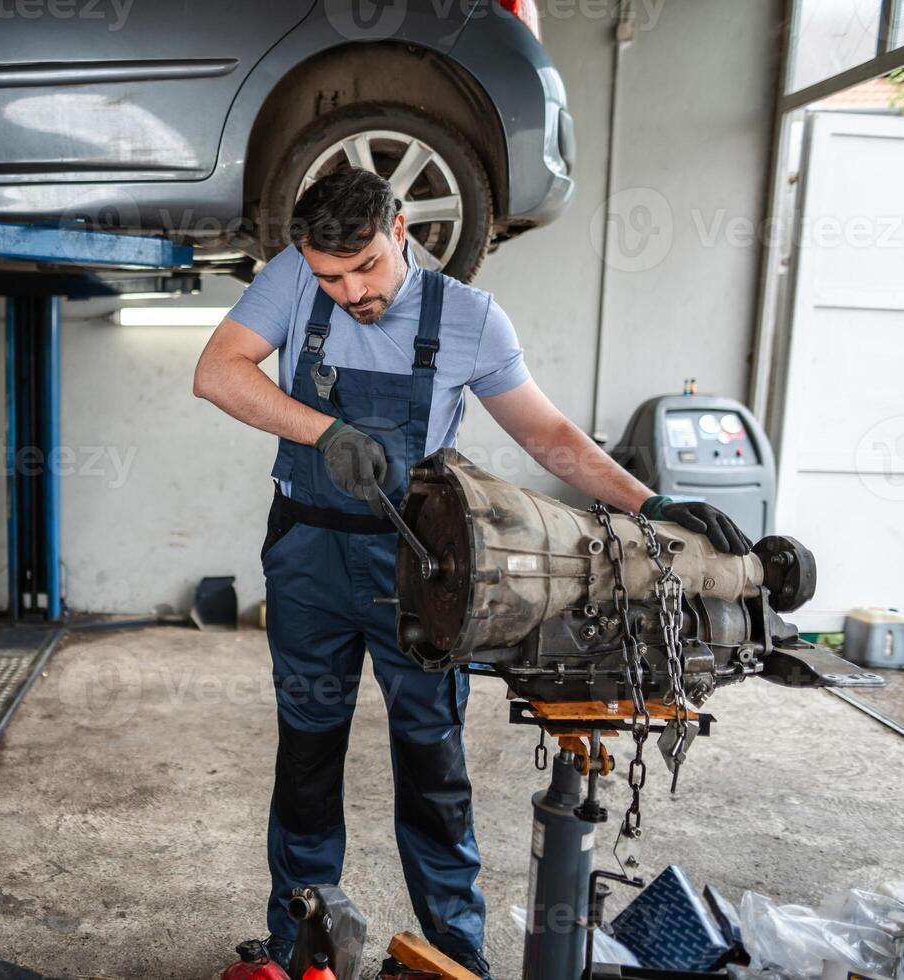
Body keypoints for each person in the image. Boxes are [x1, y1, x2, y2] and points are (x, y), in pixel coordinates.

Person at [191, 168, 750, 978]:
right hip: (308, 556)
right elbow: (218, 372)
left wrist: (650, 503)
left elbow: (547, 436)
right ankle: (299, 934)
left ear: (401, 232)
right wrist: (325, 433)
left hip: (426, 570)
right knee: (307, 754)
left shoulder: (469, 317)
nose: (351, 292)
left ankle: (455, 947)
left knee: (432, 762)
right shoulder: (293, 277)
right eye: (331, 278)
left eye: (366, 269)